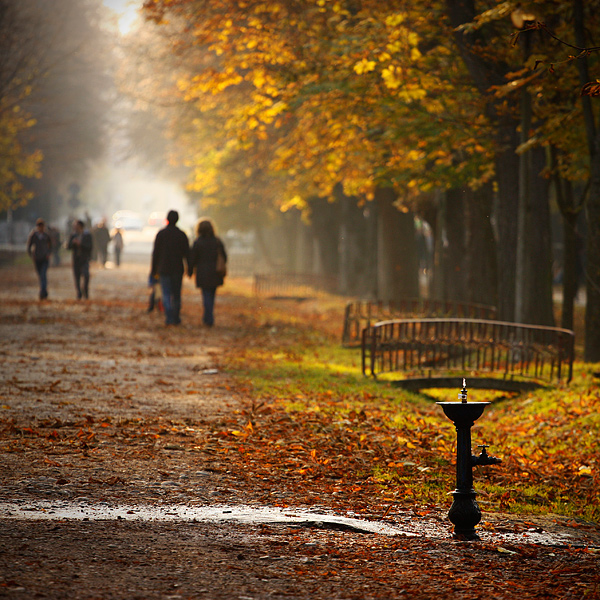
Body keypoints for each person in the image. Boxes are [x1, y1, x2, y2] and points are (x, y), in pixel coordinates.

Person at [150, 209, 190, 325]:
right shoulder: (181, 235)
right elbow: (187, 253)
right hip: (177, 269)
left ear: (167, 219)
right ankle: (176, 316)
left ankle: (169, 316)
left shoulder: (161, 234)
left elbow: (155, 253)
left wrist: (153, 270)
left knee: (166, 293)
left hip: (163, 269)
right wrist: (190, 268)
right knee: (176, 294)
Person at [188, 218, 227, 327]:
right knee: (212, 295)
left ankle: (208, 318)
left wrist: (190, 271)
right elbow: (224, 257)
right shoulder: (217, 241)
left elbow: (192, 258)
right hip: (215, 272)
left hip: (203, 273)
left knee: (206, 295)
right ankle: (208, 317)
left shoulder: (198, 242)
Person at [26, 218, 53, 300]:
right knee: (40, 275)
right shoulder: (34, 235)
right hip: (37, 257)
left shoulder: (46, 235)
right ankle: (43, 289)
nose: (41, 228)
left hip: (45, 257)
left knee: (43, 274)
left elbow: (50, 246)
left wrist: (48, 253)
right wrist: (31, 254)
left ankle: (43, 292)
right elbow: (29, 245)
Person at [67, 219, 93, 299]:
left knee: (86, 275)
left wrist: (80, 244)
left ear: (80, 226)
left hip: (84, 258)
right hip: (76, 259)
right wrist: (73, 243)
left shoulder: (87, 235)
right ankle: (79, 293)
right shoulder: (73, 235)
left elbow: (90, 246)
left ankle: (85, 290)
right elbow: (68, 247)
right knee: (77, 277)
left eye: (76, 226)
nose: (74, 227)